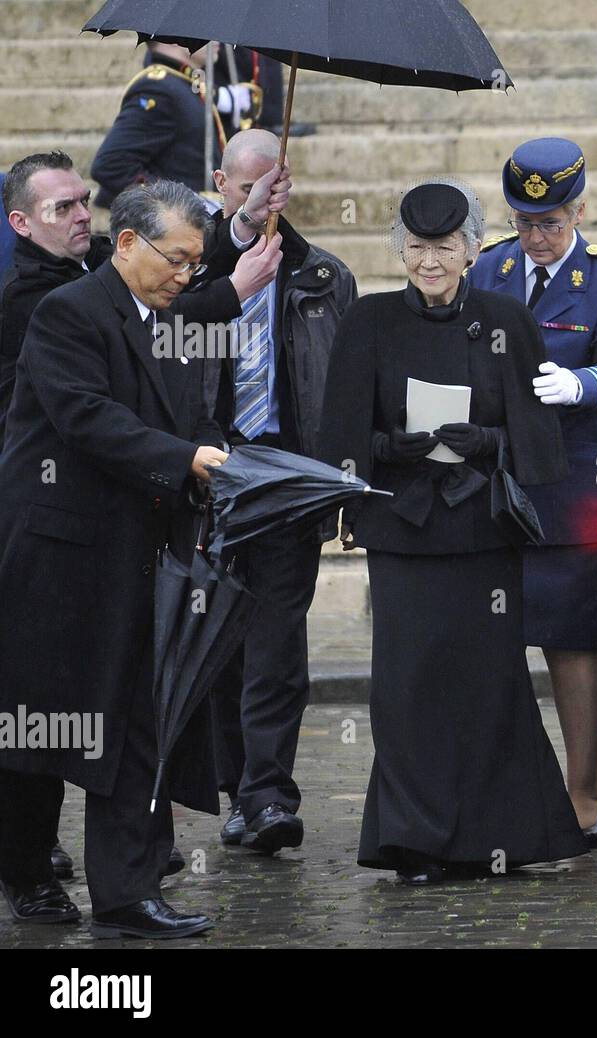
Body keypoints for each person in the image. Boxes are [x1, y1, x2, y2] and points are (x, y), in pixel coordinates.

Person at [317, 180, 588, 884]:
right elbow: (337, 437)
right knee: (407, 688)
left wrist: (490, 441)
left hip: (481, 534)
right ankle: (415, 842)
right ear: (399, 250)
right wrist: (386, 449)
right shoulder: (369, 321)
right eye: (415, 248)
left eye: (443, 247)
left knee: (487, 684)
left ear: (471, 250)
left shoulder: (507, 318)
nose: (428, 261)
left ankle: (498, 836)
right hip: (403, 534)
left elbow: (541, 443)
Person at [0, 180, 229, 938]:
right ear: (126, 242)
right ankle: (27, 872)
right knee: (45, 727)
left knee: (141, 719)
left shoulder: (170, 319)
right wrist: (186, 457)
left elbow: (192, 417)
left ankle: (129, 893)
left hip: (143, 555)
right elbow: (87, 419)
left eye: (197, 264)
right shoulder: (67, 313)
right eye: (177, 258)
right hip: (60, 561)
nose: (186, 275)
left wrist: (226, 459)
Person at [467, 137, 597, 843]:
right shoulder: (490, 267)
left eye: (550, 223)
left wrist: (579, 385)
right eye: (524, 222)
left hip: (575, 484)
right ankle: (509, 790)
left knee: (575, 643)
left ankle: (583, 790)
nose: (536, 238)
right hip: (501, 483)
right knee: (494, 642)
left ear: (577, 210)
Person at [202, 129, 357, 855]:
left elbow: (347, 391)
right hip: (206, 476)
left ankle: (267, 797)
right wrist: (235, 247)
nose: (262, 200)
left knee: (275, 642)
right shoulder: (194, 264)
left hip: (288, 480)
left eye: (273, 188)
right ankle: (235, 787)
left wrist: (342, 483)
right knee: (217, 642)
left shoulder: (324, 277)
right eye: (245, 189)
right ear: (222, 183)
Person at [2, 149, 287, 445]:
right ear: (21, 222)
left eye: (84, 201)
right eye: (63, 208)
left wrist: (246, 218)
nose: (84, 216)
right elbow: (152, 316)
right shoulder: (28, 296)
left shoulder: (95, 254)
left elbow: (175, 253)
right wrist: (235, 290)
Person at [91, 41, 225, 209]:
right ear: (174, 38)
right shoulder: (158, 88)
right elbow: (112, 165)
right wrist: (179, 202)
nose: (216, 40)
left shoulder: (182, 84)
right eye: (204, 28)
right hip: (173, 227)